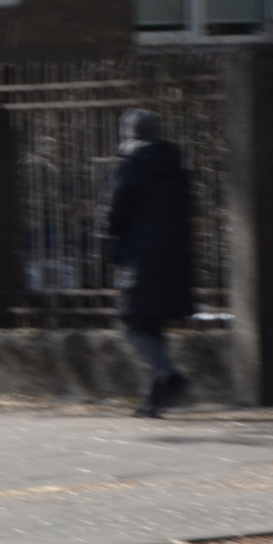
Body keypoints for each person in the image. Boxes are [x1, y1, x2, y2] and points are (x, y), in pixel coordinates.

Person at [106, 108, 195, 417]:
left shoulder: (130, 166)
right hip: (173, 253)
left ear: (130, 132)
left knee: (130, 323)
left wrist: (111, 238)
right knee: (152, 324)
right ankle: (151, 401)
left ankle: (167, 373)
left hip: (139, 253)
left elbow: (116, 212)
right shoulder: (176, 165)